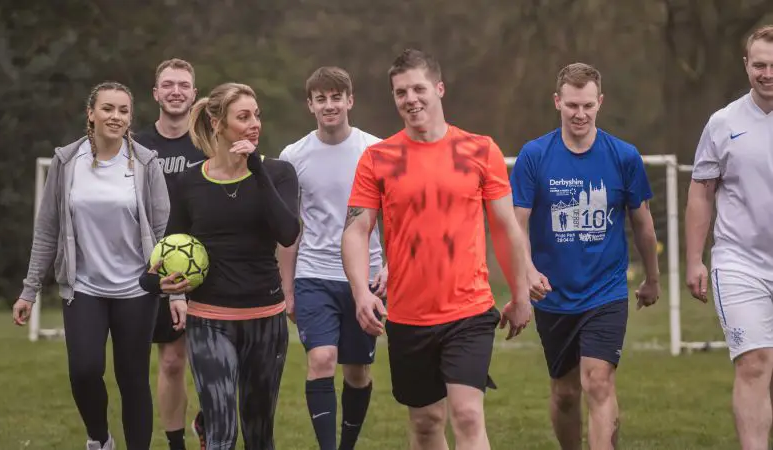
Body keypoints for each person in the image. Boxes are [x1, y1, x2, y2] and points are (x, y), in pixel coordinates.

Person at [342, 48, 532, 450]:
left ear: (439, 89)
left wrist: (520, 294)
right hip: (409, 316)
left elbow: (505, 227)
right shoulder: (377, 158)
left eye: (418, 88)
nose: (410, 99)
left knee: (466, 413)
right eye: (400, 92)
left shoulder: (480, 150)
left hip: (469, 310)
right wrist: (360, 292)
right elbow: (357, 231)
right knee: (427, 423)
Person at [11, 81, 171, 450]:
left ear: (131, 117)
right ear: (91, 114)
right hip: (84, 288)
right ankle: (99, 438)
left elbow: (163, 232)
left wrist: (171, 291)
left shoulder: (147, 163)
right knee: (84, 372)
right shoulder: (67, 162)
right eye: (108, 109)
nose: (115, 117)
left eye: (123, 111)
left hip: (137, 289)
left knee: (132, 379)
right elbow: (48, 227)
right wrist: (29, 288)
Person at [510, 62, 660, 450]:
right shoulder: (534, 156)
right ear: (557, 101)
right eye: (572, 105)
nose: (580, 114)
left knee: (598, 380)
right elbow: (517, 224)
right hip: (553, 294)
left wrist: (652, 279)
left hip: (605, 290)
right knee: (564, 392)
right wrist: (526, 271)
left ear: (600, 103)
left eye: (588, 106)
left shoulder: (624, 156)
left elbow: (643, 224)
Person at [164, 82, 300, 450]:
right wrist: (161, 284)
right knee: (223, 435)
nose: (254, 123)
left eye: (256, 115)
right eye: (243, 116)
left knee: (259, 436)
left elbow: (288, 233)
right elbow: (171, 245)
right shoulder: (189, 181)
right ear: (218, 123)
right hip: (210, 320)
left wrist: (258, 169)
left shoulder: (279, 173)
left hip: (266, 320)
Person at [277, 66, 387, 450]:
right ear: (310, 105)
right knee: (322, 358)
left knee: (357, 372)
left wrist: (389, 266)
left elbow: (398, 216)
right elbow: (289, 230)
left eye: (336, 97)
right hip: (314, 275)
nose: (329, 105)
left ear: (350, 101)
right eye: (321, 98)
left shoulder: (376, 150)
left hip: (366, 279)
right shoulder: (294, 155)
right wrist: (287, 288)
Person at [686, 25, 773, 450]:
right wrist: (694, 260)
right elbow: (701, 191)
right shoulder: (723, 123)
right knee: (755, 364)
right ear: (746, 65)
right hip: (740, 263)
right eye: (760, 64)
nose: (768, 73)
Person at [133, 58, 206, 450]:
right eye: (168, 84)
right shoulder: (139, 145)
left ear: (194, 93)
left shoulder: (208, 141)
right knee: (172, 360)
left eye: (183, 85)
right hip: (160, 267)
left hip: (210, 265)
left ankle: (210, 420)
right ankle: (176, 441)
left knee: (214, 359)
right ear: (156, 93)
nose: (176, 91)